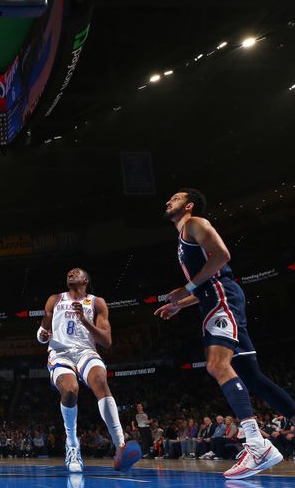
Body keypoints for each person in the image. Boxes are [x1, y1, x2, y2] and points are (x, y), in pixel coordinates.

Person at [157, 189, 291, 478]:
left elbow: (222, 258)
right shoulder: (182, 237)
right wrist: (182, 303)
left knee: (217, 365)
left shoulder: (195, 223)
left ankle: (257, 444)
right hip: (215, 298)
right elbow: (209, 281)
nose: (169, 200)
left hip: (222, 300)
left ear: (189, 205)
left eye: (176, 198)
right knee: (254, 378)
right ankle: (268, 437)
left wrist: (187, 289)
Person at [37, 268, 141, 473]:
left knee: (100, 380)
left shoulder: (97, 302)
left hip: (86, 351)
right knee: (69, 389)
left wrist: (85, 321)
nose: (71, 273)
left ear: (86, 280)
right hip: (60, 353)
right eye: (68, 273)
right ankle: (72, 445)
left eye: (76, 272)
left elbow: (107, 341)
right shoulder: (55, 299)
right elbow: (43, 330)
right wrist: (42, 334)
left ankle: (120, 445)